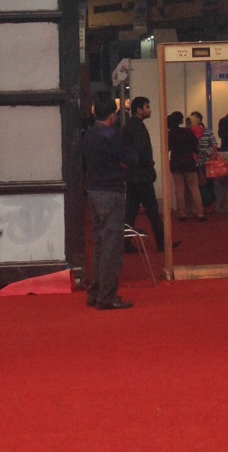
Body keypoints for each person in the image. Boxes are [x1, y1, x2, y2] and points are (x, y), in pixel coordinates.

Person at [81, 93, 137, 310]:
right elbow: (130, 159)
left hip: (94, 192)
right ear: (112, 115)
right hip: (112, 192)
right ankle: (107, 296)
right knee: (111, 247)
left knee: (100, 244)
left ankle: (95, 292)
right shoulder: (112, 136)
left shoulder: (89, 135)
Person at [122, 95, 169, 253]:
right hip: (141, 176)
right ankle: (162, 243)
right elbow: (140, 153)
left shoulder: (131, 126)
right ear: (139, 110)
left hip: (134, 176)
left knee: (131, 211)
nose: (150, 110)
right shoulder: (137, 127)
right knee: (152, 210)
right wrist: (149, 167)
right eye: (147, 107)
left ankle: (126, 243)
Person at [167, 111, 205, 221]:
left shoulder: (170, 134)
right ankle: (200, 213)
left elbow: (167, 148)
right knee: (194, 189)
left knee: (179, 189)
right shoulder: (187, 132)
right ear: (180, 120)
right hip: (189, 163)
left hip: (176, 163)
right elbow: (196, 148)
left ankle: (182, 214)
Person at [190, 110, 219, 212]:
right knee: (197, 186)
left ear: (199, 120)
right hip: (194, 162)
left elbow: (214, 145)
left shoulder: (208, 132)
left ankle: (209, 204)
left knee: (208, 184)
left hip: (207, 162)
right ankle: (200, 206)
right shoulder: (189, 132)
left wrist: (204, 153)